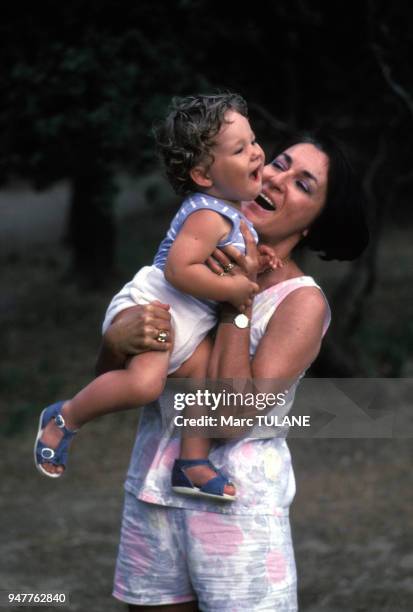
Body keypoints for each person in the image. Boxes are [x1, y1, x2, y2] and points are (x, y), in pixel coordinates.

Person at [97, 132, 369, 610]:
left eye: (304, 184)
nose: (278, 179)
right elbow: (115, 377)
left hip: (237, 514)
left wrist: (234, 305)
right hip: (151, 496)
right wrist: (115, 341)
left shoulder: (300, 302)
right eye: (280, 163)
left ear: (313, 224)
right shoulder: (192, 255)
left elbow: (228, 418)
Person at [34, 93, 276, 501]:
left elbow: (237, 254)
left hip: (187, 324)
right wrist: (233, 289)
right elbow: (179, 270)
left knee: (203, 379)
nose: (256, 154)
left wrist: (259, 255)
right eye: (240, 149)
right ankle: (65, 416)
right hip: (153, 307)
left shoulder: (232, 213)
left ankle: (191, 462)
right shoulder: (207, 213)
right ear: (203, 175)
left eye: (253, 141)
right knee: (146, 385)